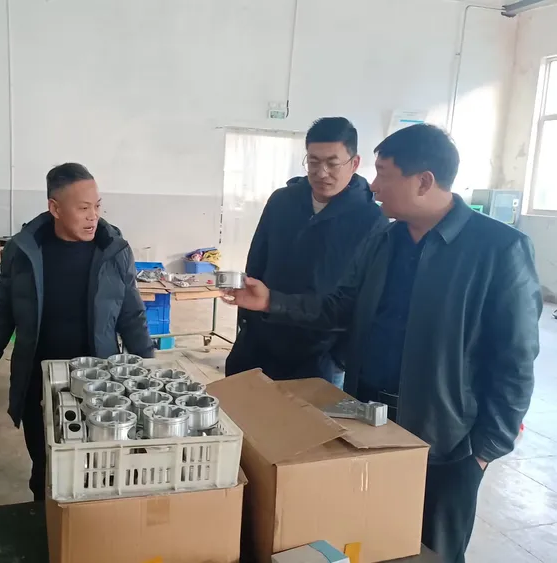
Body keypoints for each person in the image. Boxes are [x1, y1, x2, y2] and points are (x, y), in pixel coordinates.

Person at [225, 124, 541, 563]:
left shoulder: (498, 249)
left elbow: (515, 360)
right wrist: (271, 301)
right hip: (368, 420)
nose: (373, 187)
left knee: (433, 550)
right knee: (369, 538)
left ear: (423, 181)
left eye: (384, 175)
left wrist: (485, 450)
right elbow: (339, 308)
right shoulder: (385, 241)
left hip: (446, 442)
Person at [0, 163, 154, 500]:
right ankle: (47, 519)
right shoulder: (24, 252)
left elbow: (132, 316)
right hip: (39, 382)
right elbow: (1, 316)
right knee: (45, 467)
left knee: (101, 467)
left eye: (97, 206)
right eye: (83, 208)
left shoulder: (114, 251)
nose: (93, 217)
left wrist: (148, 371)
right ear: (54, 208)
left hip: (100, 382)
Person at [225, 117, 386, 385]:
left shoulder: (370, 220)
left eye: (332, 163)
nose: (322, 173)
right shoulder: (282, 202)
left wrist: (338, 357)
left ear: (355, 163)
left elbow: (360, 299)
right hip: (263, 339)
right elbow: (256, 264)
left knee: (312, 413)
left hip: (320, 354)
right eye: (313, 161)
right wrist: (247, 327)